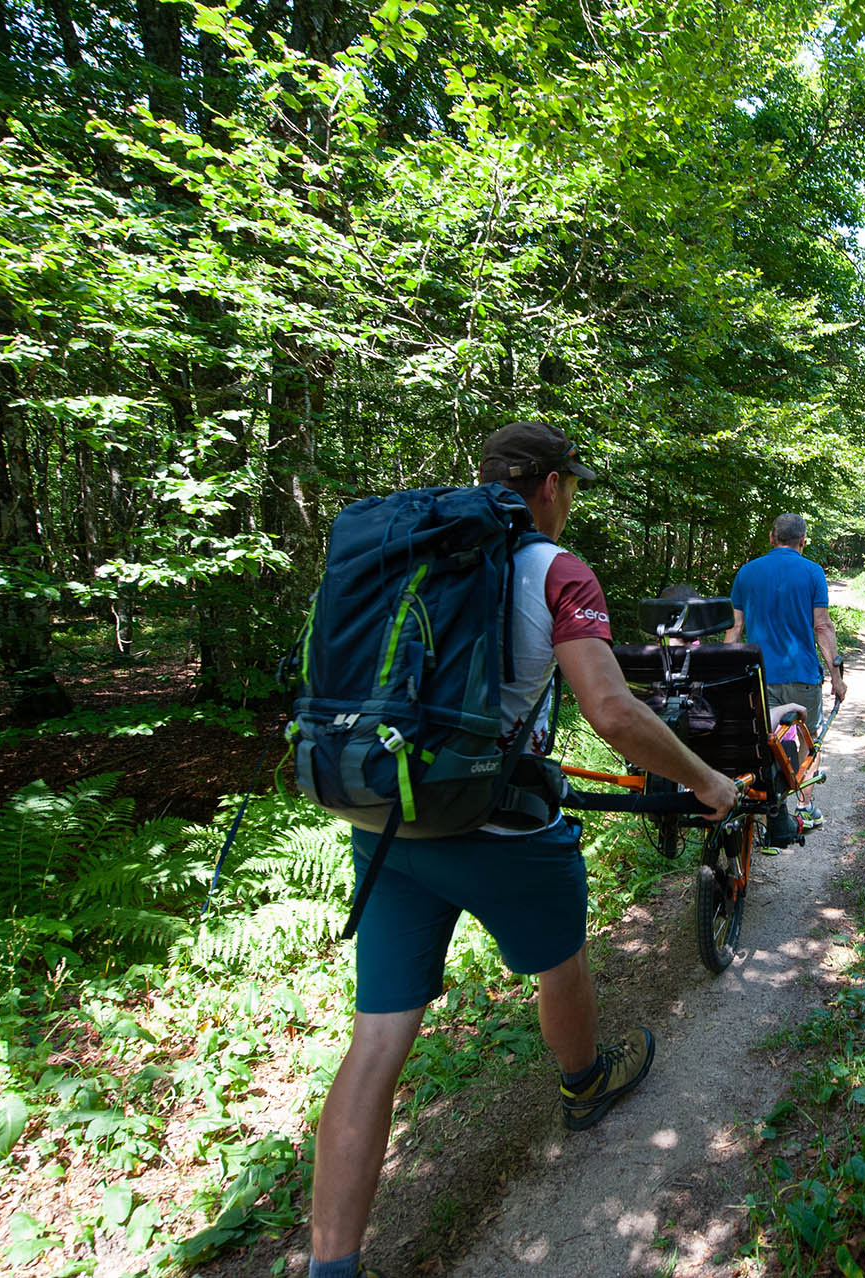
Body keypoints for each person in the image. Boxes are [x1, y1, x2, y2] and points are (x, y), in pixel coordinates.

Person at [307, 421, 739, 1278]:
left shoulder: (413, 550)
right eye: (569, 485)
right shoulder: (556, 570)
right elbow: (613, 714)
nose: (570, 499)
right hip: (502, 828)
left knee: (380, 1037)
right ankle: (585, 1085)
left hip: (388, 815)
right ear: (548, 486)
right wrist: (705, 781)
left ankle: (331, 1266)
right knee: (562, 961)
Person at [726, 512, 845, 828]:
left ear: (771, 537)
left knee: (761, 739)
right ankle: (805, 808)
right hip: (801, 674)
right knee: (807, 739)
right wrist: (836, 678)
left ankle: (762, 810)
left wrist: (725, 675)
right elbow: (822, 625)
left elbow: (734, 629)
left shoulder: (747, 573)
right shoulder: (812, 572)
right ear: (803, 541)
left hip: (757, 676)